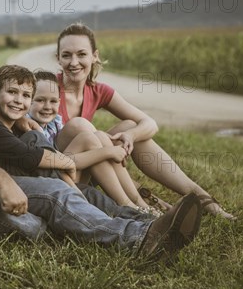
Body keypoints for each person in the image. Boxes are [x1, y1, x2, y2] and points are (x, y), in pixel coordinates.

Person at [0, 0, 202, 259]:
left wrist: (17, 120)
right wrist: (3, 180)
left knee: (56, 192)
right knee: (27, 223)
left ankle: (141, 234)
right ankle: (78, 229)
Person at [53, 22, 237, 220]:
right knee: (81, 126)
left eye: (81, 54)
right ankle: (140, 203)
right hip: (60, 172)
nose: (74, 62)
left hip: (90, 166)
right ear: (58, 59)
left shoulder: (98, 90)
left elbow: (149, 123)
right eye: (66, 55)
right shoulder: (48, 88)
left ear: (94, 56)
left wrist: (130, 136)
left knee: (130, 126)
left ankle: (200, 197)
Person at [0, 65, 156, 221]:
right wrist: (71, 165)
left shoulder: (23, 125)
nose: (18, 100)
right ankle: (128, 205)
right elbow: (30, 157)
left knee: (94, 196)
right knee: (49, 140)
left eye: (25, 95)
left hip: (59, 178)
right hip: (43, 185)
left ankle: (139, 214)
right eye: (12, 92)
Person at [27, 70, 163, 215]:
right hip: (54, 181)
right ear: (28, 100)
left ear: (59, 102)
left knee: (99, 137)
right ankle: (127, 204)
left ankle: (139, 202)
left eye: (53, 101)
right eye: (40, 100)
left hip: (69, 174)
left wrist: (105, 144)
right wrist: (108, 152)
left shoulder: (54, 121)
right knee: (89, 139)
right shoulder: (28, 127)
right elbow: (59, 162)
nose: (47, 106)